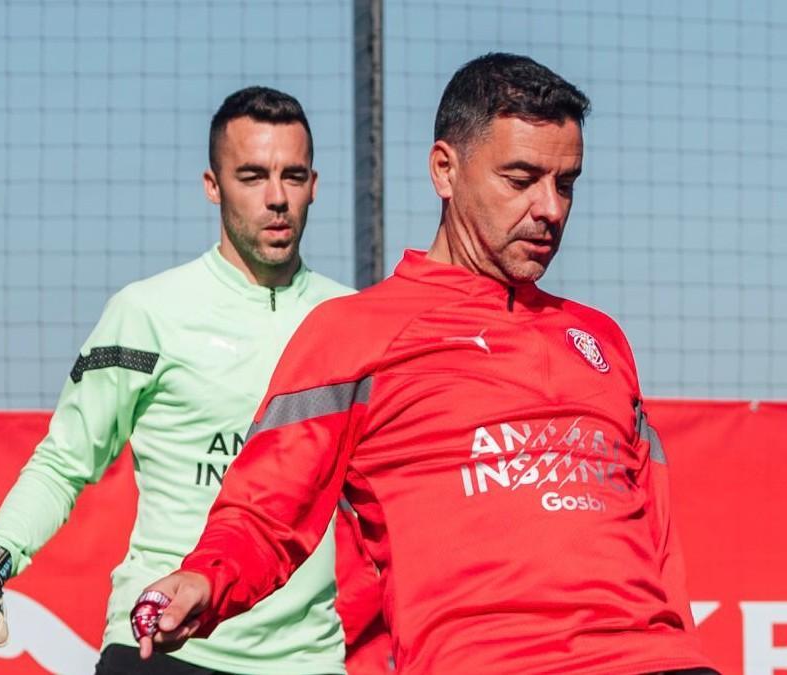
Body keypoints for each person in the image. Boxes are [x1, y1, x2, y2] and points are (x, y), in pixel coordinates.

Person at [138, 53, 718, 674]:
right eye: (521, 179)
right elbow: (265, 512)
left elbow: (657, 538)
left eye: (566, 183)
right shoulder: (350, 334)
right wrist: (205, 578)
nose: (550, 208)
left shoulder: (600, 340)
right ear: (445, 169)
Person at [0, 86, 355, 675]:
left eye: (293, 176)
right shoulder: (147, 312)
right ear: (213, 185)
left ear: (314, 185)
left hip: (305, 659)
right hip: (158, 643)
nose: (277, 197)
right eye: (252, 176)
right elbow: (65, 461)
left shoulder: (352, 321)